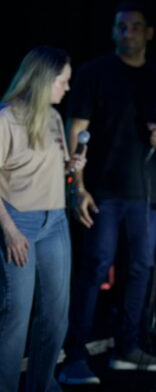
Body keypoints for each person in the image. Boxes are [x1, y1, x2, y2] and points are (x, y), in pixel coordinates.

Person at [58, 2, 156, 385]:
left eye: (135, 26)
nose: (128, 33)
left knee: (141, 268)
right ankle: (75, 356)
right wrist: (76, 188)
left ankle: (128, 347)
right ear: (113, 32)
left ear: (149, 33)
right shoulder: (94, 74)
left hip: (147, 194)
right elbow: (75, 130)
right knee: (95, 267)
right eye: (121, 27)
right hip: (103, 192)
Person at [0, 46, 86, 392]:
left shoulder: (52, 117)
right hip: (18, 221)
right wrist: (9, 231)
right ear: (43, 80)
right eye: (63, 81)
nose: (67, 87)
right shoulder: (6, 119)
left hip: (55, 222)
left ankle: (41, 384)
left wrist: (70, 167)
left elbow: (48, 167)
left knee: (55, 315)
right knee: (16, 316)